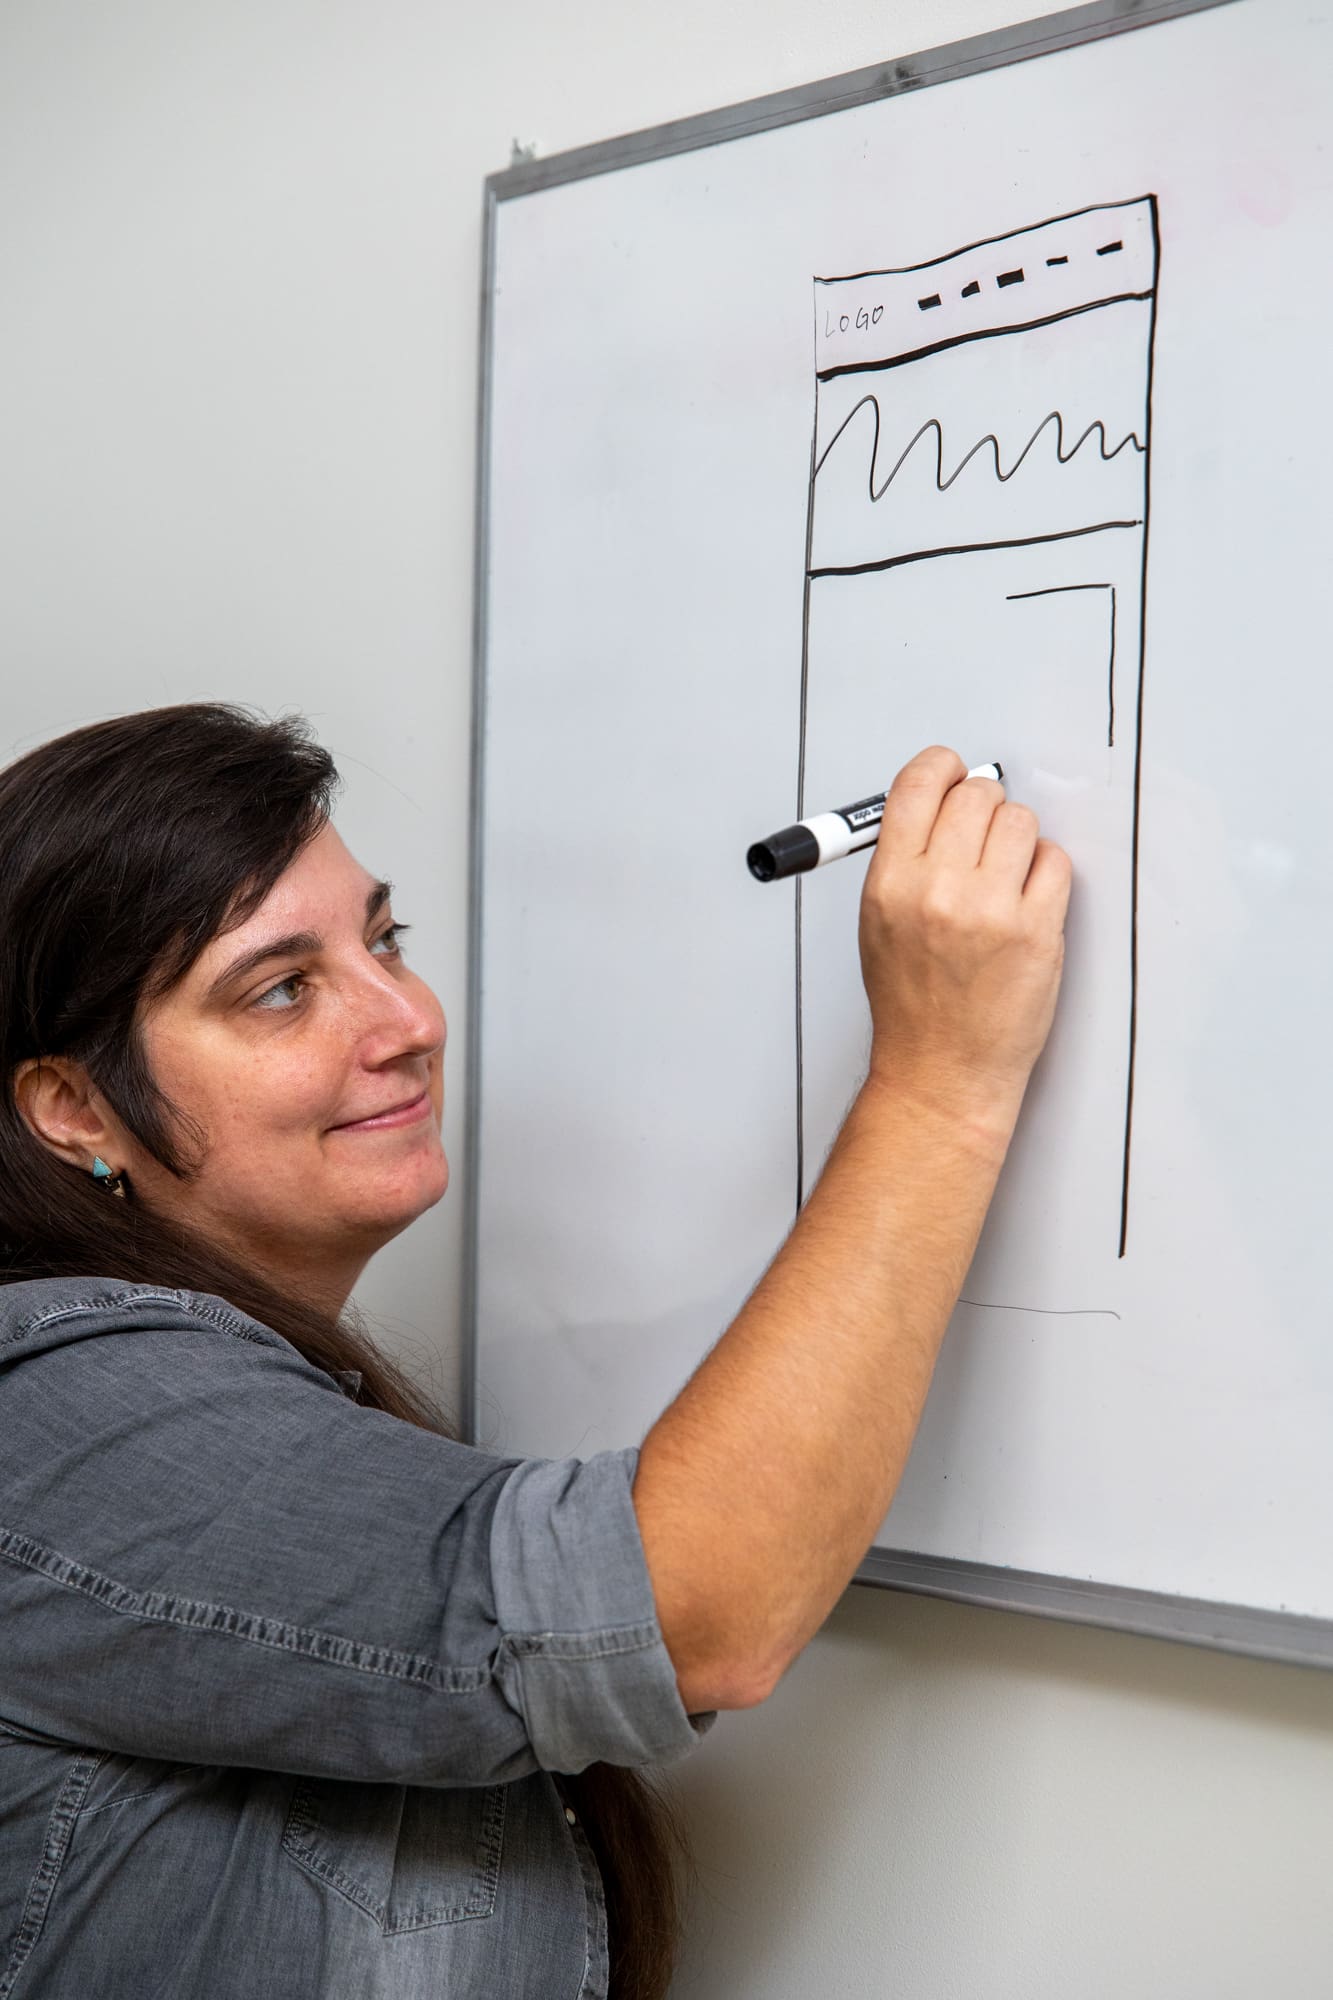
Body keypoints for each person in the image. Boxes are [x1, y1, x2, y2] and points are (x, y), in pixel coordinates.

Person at [0, 703, 1069, 2000]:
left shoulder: (245, 1397)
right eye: (282, 989)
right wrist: (939, 1085)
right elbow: (691, 1610)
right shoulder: (56, 1412)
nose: (406, 1019)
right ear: (72, 1107)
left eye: (383, 940)